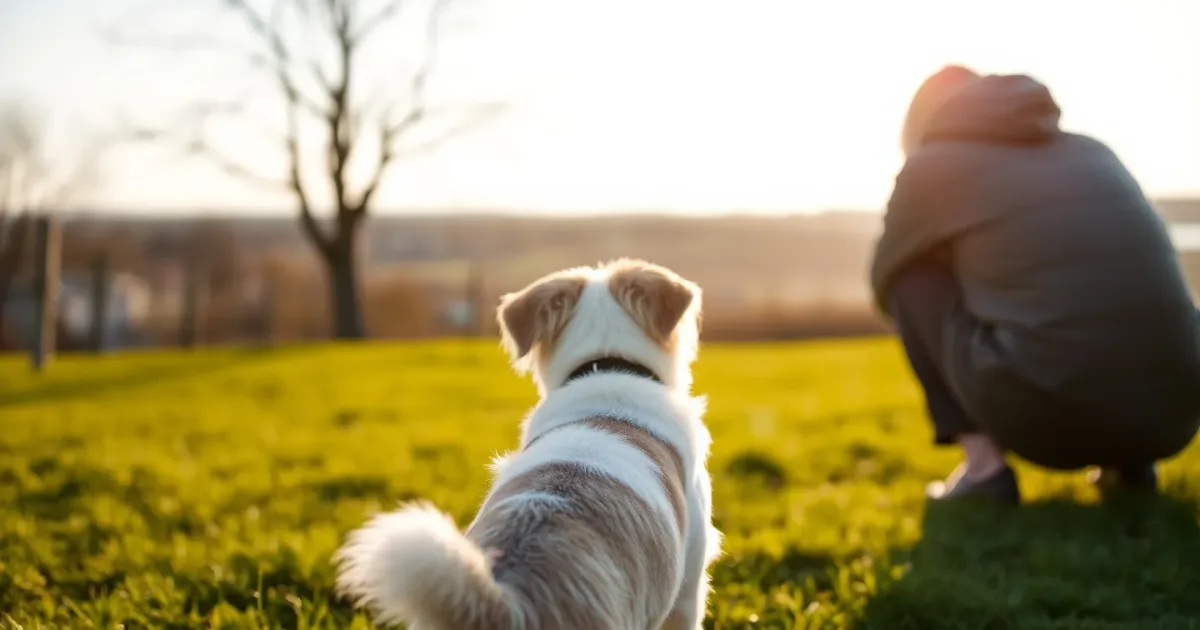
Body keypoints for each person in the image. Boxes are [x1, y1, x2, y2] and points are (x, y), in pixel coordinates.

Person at [870, 65, 1200, 504]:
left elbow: (883, 283)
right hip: (1174, 416)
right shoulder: (1093, 151)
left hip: (1052, 423)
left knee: (908, 276)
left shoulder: (932, 165)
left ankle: (985, 468)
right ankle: (1129, 463)